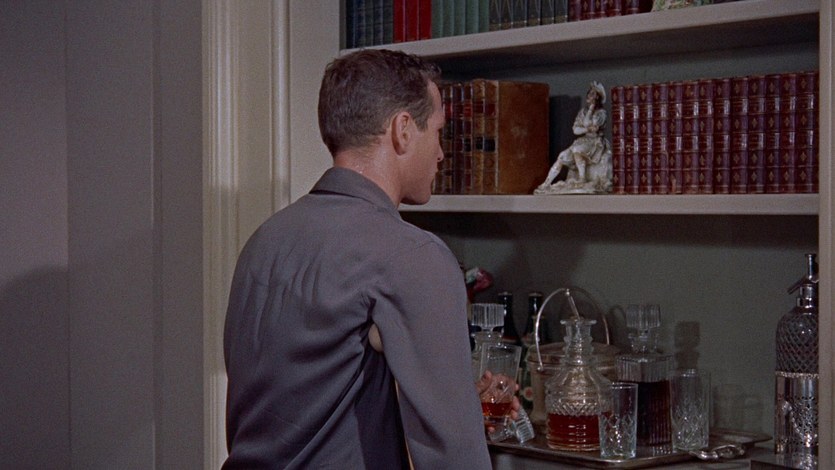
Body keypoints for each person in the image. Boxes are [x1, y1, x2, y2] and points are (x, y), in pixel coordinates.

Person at [222, 49, 497, 469]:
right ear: (403, 130)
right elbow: (454, 456)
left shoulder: (264, 241)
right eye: (438, 131)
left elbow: (307, 399)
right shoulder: (412, 256)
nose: (441, 153)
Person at [536, 81, 613, 194]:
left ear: (597, 98)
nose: (589, 96)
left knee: (578, 150)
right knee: (562, 156)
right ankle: (546, 184)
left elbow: (591, 125)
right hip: (583, 140)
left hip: (595, 143)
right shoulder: (582, 112)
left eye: (592, 94)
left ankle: (582, 179)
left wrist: (591, 109)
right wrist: (587, 129)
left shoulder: (601, 113)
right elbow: (576, 130)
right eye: (589, 93)